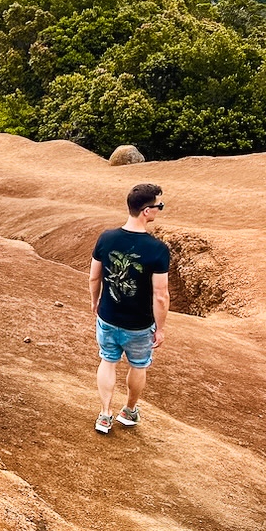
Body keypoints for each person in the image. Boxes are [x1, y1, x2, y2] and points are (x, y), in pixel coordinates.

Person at [88, 183, 170, 434]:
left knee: (108, 361)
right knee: (139, 365)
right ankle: (129, 411)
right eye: (159, 206)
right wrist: (161, 328)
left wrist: (95, 302)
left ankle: (104, 414)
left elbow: (94, 277)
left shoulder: (106, 238)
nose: (159, 210)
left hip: (108, 317)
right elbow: (160, 296)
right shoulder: (158, 250)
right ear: (146, 211)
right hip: (140, 324)